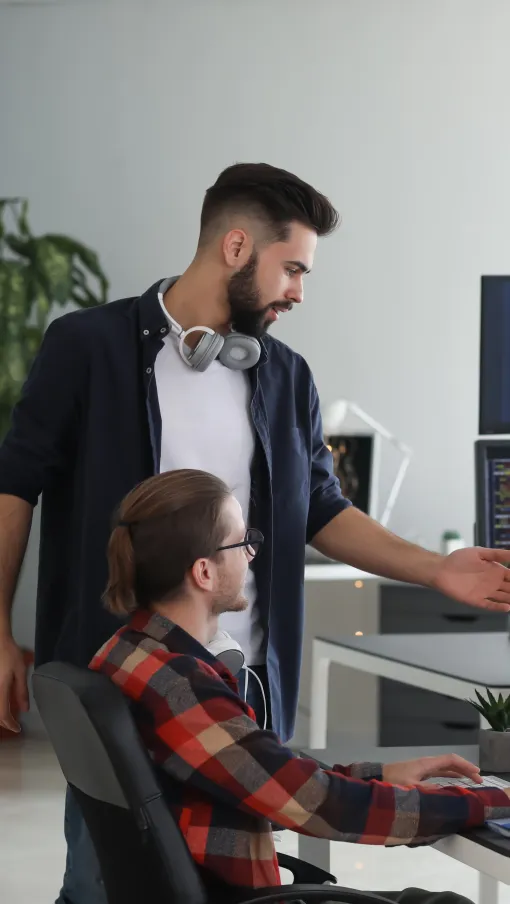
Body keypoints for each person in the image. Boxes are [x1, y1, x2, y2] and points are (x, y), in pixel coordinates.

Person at [1, 163, 510, 904]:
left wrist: (436, 570)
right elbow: (14, 484)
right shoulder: (90, 347)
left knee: (225, 867)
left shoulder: (286, 377)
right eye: (293, 268)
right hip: (124, 680)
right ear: (236, 246)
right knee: (109, 876)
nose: (300, 291)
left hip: (246, 683)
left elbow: (322, 511)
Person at [92, 468, 510, 904]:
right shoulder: (180, 685)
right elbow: (323, 807)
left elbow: (264, 773)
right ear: (204, 572)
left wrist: (382, 774)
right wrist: (489, 802)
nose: (252, 554)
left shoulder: (130, 652)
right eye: (241, 542)